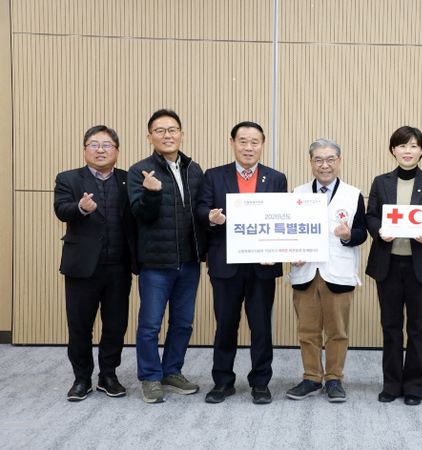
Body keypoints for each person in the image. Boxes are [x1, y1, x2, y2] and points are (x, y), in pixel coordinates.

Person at [197, 121, 287, 405]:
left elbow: (281, 217)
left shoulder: (276, 178)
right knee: (225, 324)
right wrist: (211, 218)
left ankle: (260, 382)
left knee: (261, 327)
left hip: (262, 265)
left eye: (254, 142)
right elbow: (201, 209)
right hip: (226, 264)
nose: (249, 147)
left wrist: (279, 249)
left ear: (262, 145)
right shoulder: (213, 176)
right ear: (232, 143)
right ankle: (222, 381)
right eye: (243, 141)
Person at [127, 109, 206, 403]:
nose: (167, 135)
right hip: (156, 263)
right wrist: (151, 193)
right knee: (150, 324)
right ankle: (150, 377)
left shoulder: (194, 169)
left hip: (189, 261)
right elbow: (140, 214)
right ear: (149, 137)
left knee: (183, 323)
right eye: (159, 130)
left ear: (181, 134)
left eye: (172, 129)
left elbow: (200, 212)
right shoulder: (140, 171)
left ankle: (172, 371)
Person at [365, 126, 422, 406]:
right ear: (393, 150)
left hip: (420, 266)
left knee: (418, 327)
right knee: (390, 326)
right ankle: (391, 384)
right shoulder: (381, 182)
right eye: (402, 146)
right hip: (388, 265)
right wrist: (379, 231)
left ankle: (415, 386)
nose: (407, 151)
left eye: (413, 146)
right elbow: (371, 216)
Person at [54, 125, 137, 401]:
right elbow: (61, 209)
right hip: (82, 267)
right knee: (80, 325)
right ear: (85, 149)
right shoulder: (68, 178)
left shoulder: (128, 179)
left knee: (115, 325)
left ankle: (108, 375)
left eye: (107, 145)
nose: (100, 150)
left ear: (117, 150)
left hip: (119, 266)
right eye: (94, 144)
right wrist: (80, 208)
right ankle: (81, 378)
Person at [285, 138, 368, 403]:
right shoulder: (297, 193)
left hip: (338, 272)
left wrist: (347, 235)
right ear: (311, 162)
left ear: (339, 161)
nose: (325, 165)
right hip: (306, 272)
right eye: (318, 159)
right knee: (307, 331)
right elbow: (287, 232)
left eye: (330, 159)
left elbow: (362, 233)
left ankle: (334, 379)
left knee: (337, 332)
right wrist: (291, 252)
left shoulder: (353, 195)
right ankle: (311, 377)